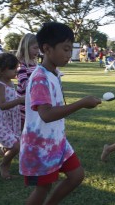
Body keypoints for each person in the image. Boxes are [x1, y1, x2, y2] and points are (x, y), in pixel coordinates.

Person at [19, 22, 101, 205]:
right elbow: (46, 114)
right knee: (43, 189)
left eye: (70, 49)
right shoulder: (40, 77)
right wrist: (82, 103)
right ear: (46, 49)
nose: (69, 54)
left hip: (57, 141)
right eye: (65, 49)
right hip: (40, 146)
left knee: (76, 175)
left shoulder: (54, 73)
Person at [0, 53, 24, 180]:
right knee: (16, 146)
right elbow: (2, 105)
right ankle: (3, 165)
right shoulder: (0, 85)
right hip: (1, 122)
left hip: (12, 121)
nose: (16, 71)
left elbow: (12, 98)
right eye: (14, 69)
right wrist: (19, 100)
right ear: (3, 70)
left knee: (12, 145)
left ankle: (5, 166)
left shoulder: (10, 83)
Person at [16, 33, 39, 129]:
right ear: (26, 47)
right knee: (24, 129)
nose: (37, 51)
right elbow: (25, 84)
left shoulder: (34, 63)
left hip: (33, 101)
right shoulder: (22, 65)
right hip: (23, 104)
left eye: (38, 48)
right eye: (35, 48)